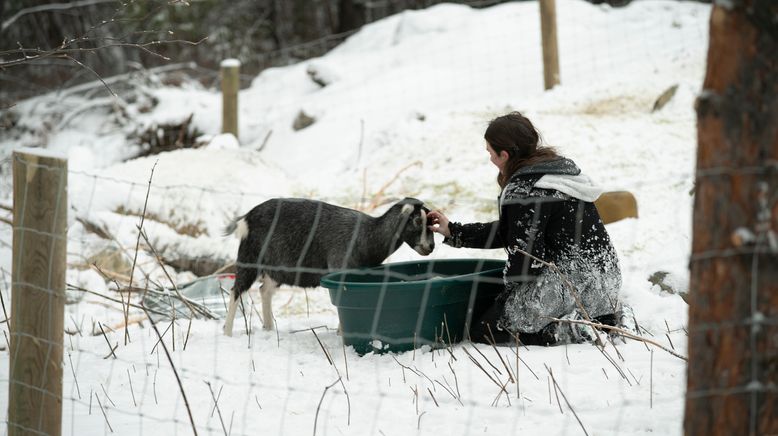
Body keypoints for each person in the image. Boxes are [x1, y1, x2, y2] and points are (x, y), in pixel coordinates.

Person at [427, 112, 622, 346]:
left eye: (490, 152)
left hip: (571, 283)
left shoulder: (524, 191)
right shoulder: (556, 174)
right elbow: (514, 231)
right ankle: (602, 319)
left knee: (487, 330)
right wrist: (454, 231)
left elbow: (526, 260)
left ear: (505, 154)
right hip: (605, 279)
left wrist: (506, 298)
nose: (490, 158)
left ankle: (576, 333)